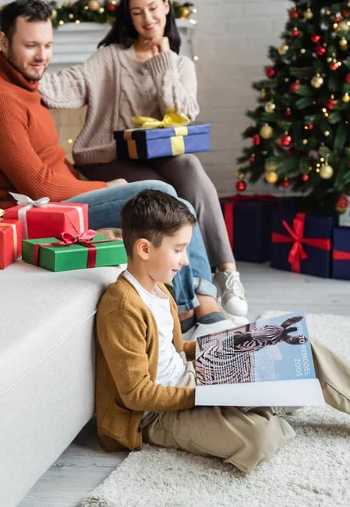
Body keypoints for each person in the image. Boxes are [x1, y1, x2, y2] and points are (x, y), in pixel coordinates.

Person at [0, 0, 242, 339]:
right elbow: (37, 185)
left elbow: (49, 158)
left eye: (48, 45)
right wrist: (104, 188)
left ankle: (202, 306)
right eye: (31, 45)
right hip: (35, 214)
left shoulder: (26, 87)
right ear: (4, 42)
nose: (42, 56)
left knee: (179, 205)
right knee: (161, 194)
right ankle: (187, 315)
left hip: (61, 203)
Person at [95, 189, 350, 474]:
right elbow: (137, 395)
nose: (185, 260)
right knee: (259, 437)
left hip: (192, 376)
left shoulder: (160, 289)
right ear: (144, 249)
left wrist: (235, 342)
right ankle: (263, 403)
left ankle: (264, 398)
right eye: (178, 249)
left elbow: (175, 347)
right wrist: (205, 394)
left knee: (294, 342)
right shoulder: (122, 307)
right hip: (156, 414)